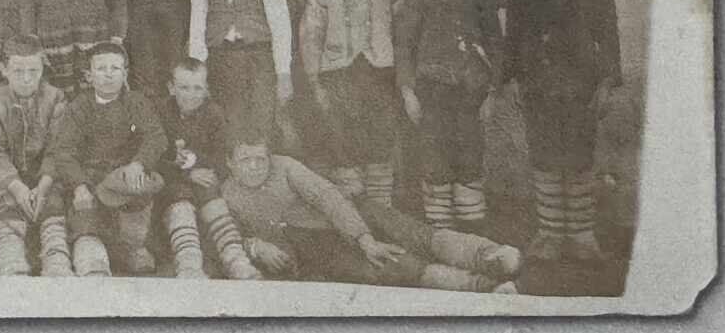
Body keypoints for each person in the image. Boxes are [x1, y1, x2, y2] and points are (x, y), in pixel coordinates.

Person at [222, 137, 519, 291]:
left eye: (260, 158)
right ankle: (487, 287)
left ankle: (490, 255)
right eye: (245, 160)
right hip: (321, 245)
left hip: (355, 213)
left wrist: (364, 239)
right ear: (230, 163)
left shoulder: (285, 166)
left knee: (416, 235)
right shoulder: (227, 193)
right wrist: (256, 246)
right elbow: (226, 236)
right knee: (399, 268)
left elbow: (328, 197)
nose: (254, 166)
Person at [503, 0, 622, 263]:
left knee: (580, 155)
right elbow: (514, 33)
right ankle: (551, 233)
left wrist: (607, 81)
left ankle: (582, 234)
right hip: (538, 82)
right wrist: (510, 79)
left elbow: (608, 33)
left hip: (580, 84)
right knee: (544, 155)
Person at [394, 0, 503, 231]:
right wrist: (408, 92)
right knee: (434, 152)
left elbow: (495, 46)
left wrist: (493, 93)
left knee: (470, 150)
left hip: (471, 92)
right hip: (431, 92)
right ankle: (441, 228)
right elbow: (404, 47)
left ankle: (472, 225)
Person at [299, 0, 399, 207]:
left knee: (380, 137)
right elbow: (311, 36)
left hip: (381, 71)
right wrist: (315, 78)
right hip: (337, 73)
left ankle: (382, 208)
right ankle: (353, 209)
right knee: (342, 138)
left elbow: (405, 35)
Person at [51, 43, 168, 276]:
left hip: (125, 176)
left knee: (139, 196)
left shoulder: (136, 102)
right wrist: (79, 186)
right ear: (89, 75)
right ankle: (94, 266)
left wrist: (139, 163)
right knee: (86, 227)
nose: (108, 74)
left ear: (125, 74)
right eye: (101, 68)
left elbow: (157, 137)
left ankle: (133, 247)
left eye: (115, 68)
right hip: (91, 178)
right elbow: (64, 152)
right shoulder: (79, 107)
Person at [187, 0, 293, 146]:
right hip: (220, 59)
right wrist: (199, 72)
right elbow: (197, 28)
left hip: (258, 59)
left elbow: (281, 27)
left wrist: (283, 73)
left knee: (261, 121)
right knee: (228, 122)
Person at [155, 59, 260, 279]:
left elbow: (221, 156)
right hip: (172, 180)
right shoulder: (161, 112)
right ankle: (188, 262)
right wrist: (187, 173)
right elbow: (154, 156)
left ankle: (235, 258)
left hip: (204, 179)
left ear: (206, 89)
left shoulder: (214, 114)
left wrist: (207, 171)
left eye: (198, 88)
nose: (191, 95)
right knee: (179, 199)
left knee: (211, 194)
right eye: (184, 88)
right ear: (171, 88)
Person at [0, 35, 73, 277]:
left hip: (48, 179)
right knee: (8, 210)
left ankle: (57, 263)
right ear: (4, 70)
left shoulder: (56, 98)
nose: (27, 78)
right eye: (19, 71)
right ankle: (11, 266)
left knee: (53, 207)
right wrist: (18, 188)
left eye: (34, 70)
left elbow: (60, 148)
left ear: (42, 68)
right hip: (10, 181)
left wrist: (44, 184)